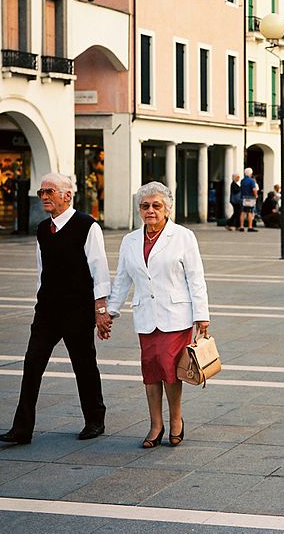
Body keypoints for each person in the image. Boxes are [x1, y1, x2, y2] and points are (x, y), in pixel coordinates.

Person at [0, 173, 110, 445]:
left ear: (67, 195)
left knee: (84, 365)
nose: (44, 196)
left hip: (77, 310)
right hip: (47, 311)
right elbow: (42, 270)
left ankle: (95, 420)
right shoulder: (42, 229)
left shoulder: (87, 226)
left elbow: (99, 269)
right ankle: (22, 428)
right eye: (42, 192)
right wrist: (40, 299)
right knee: (32, 364)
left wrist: (101, 308)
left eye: (50, 191)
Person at [101, 182, 210, 448]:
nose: (150, 210)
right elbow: (123, 279)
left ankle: (176, 419)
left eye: (156, 206)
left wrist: (202, 315)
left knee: (169, 367)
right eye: (145, 206)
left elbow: (196, 278)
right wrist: (109, 312)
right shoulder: (130, 241)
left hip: (176, 315)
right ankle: (155, 424)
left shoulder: (183, 236)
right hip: (146, 316)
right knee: (150, 369)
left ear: (167, 209)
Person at [238, 168, 259, 232]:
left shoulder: (242, 180)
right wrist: (256, 195)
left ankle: (241, 226)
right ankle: (250, 226)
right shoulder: (251, 181)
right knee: (250, 212)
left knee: (243, 212)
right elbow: (254, 189)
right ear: (251, 173)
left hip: (243, 197)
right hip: (250, 197)